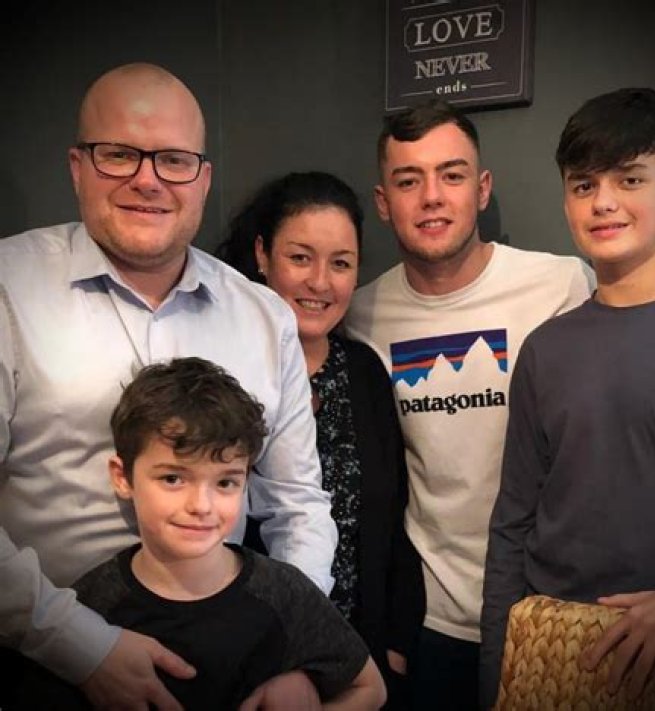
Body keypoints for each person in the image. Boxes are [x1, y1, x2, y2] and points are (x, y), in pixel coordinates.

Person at [0, 62, 336, 710]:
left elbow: (297, 502)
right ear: (77, 166)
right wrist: (82, 645)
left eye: (174, 160)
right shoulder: (8, 289)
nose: (148, 179)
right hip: (40, 666)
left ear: (203, 178)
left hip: (228, 671)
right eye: (119, 154)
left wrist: (290, 646)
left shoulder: (264, 316)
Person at [344, 99, 595, 710]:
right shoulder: (360, 313)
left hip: (548, 611)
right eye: (409, 180)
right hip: (429, 624)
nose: (432, 197)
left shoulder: (561, 285)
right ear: (384, 202)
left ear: (482, 189)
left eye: (451, 175)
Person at [478, 87, 655, 707]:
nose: (604, 201)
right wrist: (496, 674)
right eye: (584, 185)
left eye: (630, 179)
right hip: (553, 655)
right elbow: (513, 525)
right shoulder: (545, 348)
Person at [13, 357, 386, 710]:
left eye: (225, 482)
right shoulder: (88, 608)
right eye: (173, 478)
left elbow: (370, 689)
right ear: (122, 477)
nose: (201, 505)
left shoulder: (286, 592)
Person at [216, 171, 425, 709]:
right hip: (247, 659)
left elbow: (394, 516)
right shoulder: (223, 374)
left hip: (358, 658)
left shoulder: (364, 371)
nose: (320, 282)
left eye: (341, 263)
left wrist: (394, 645)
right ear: (262, 256)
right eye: (300, 258)